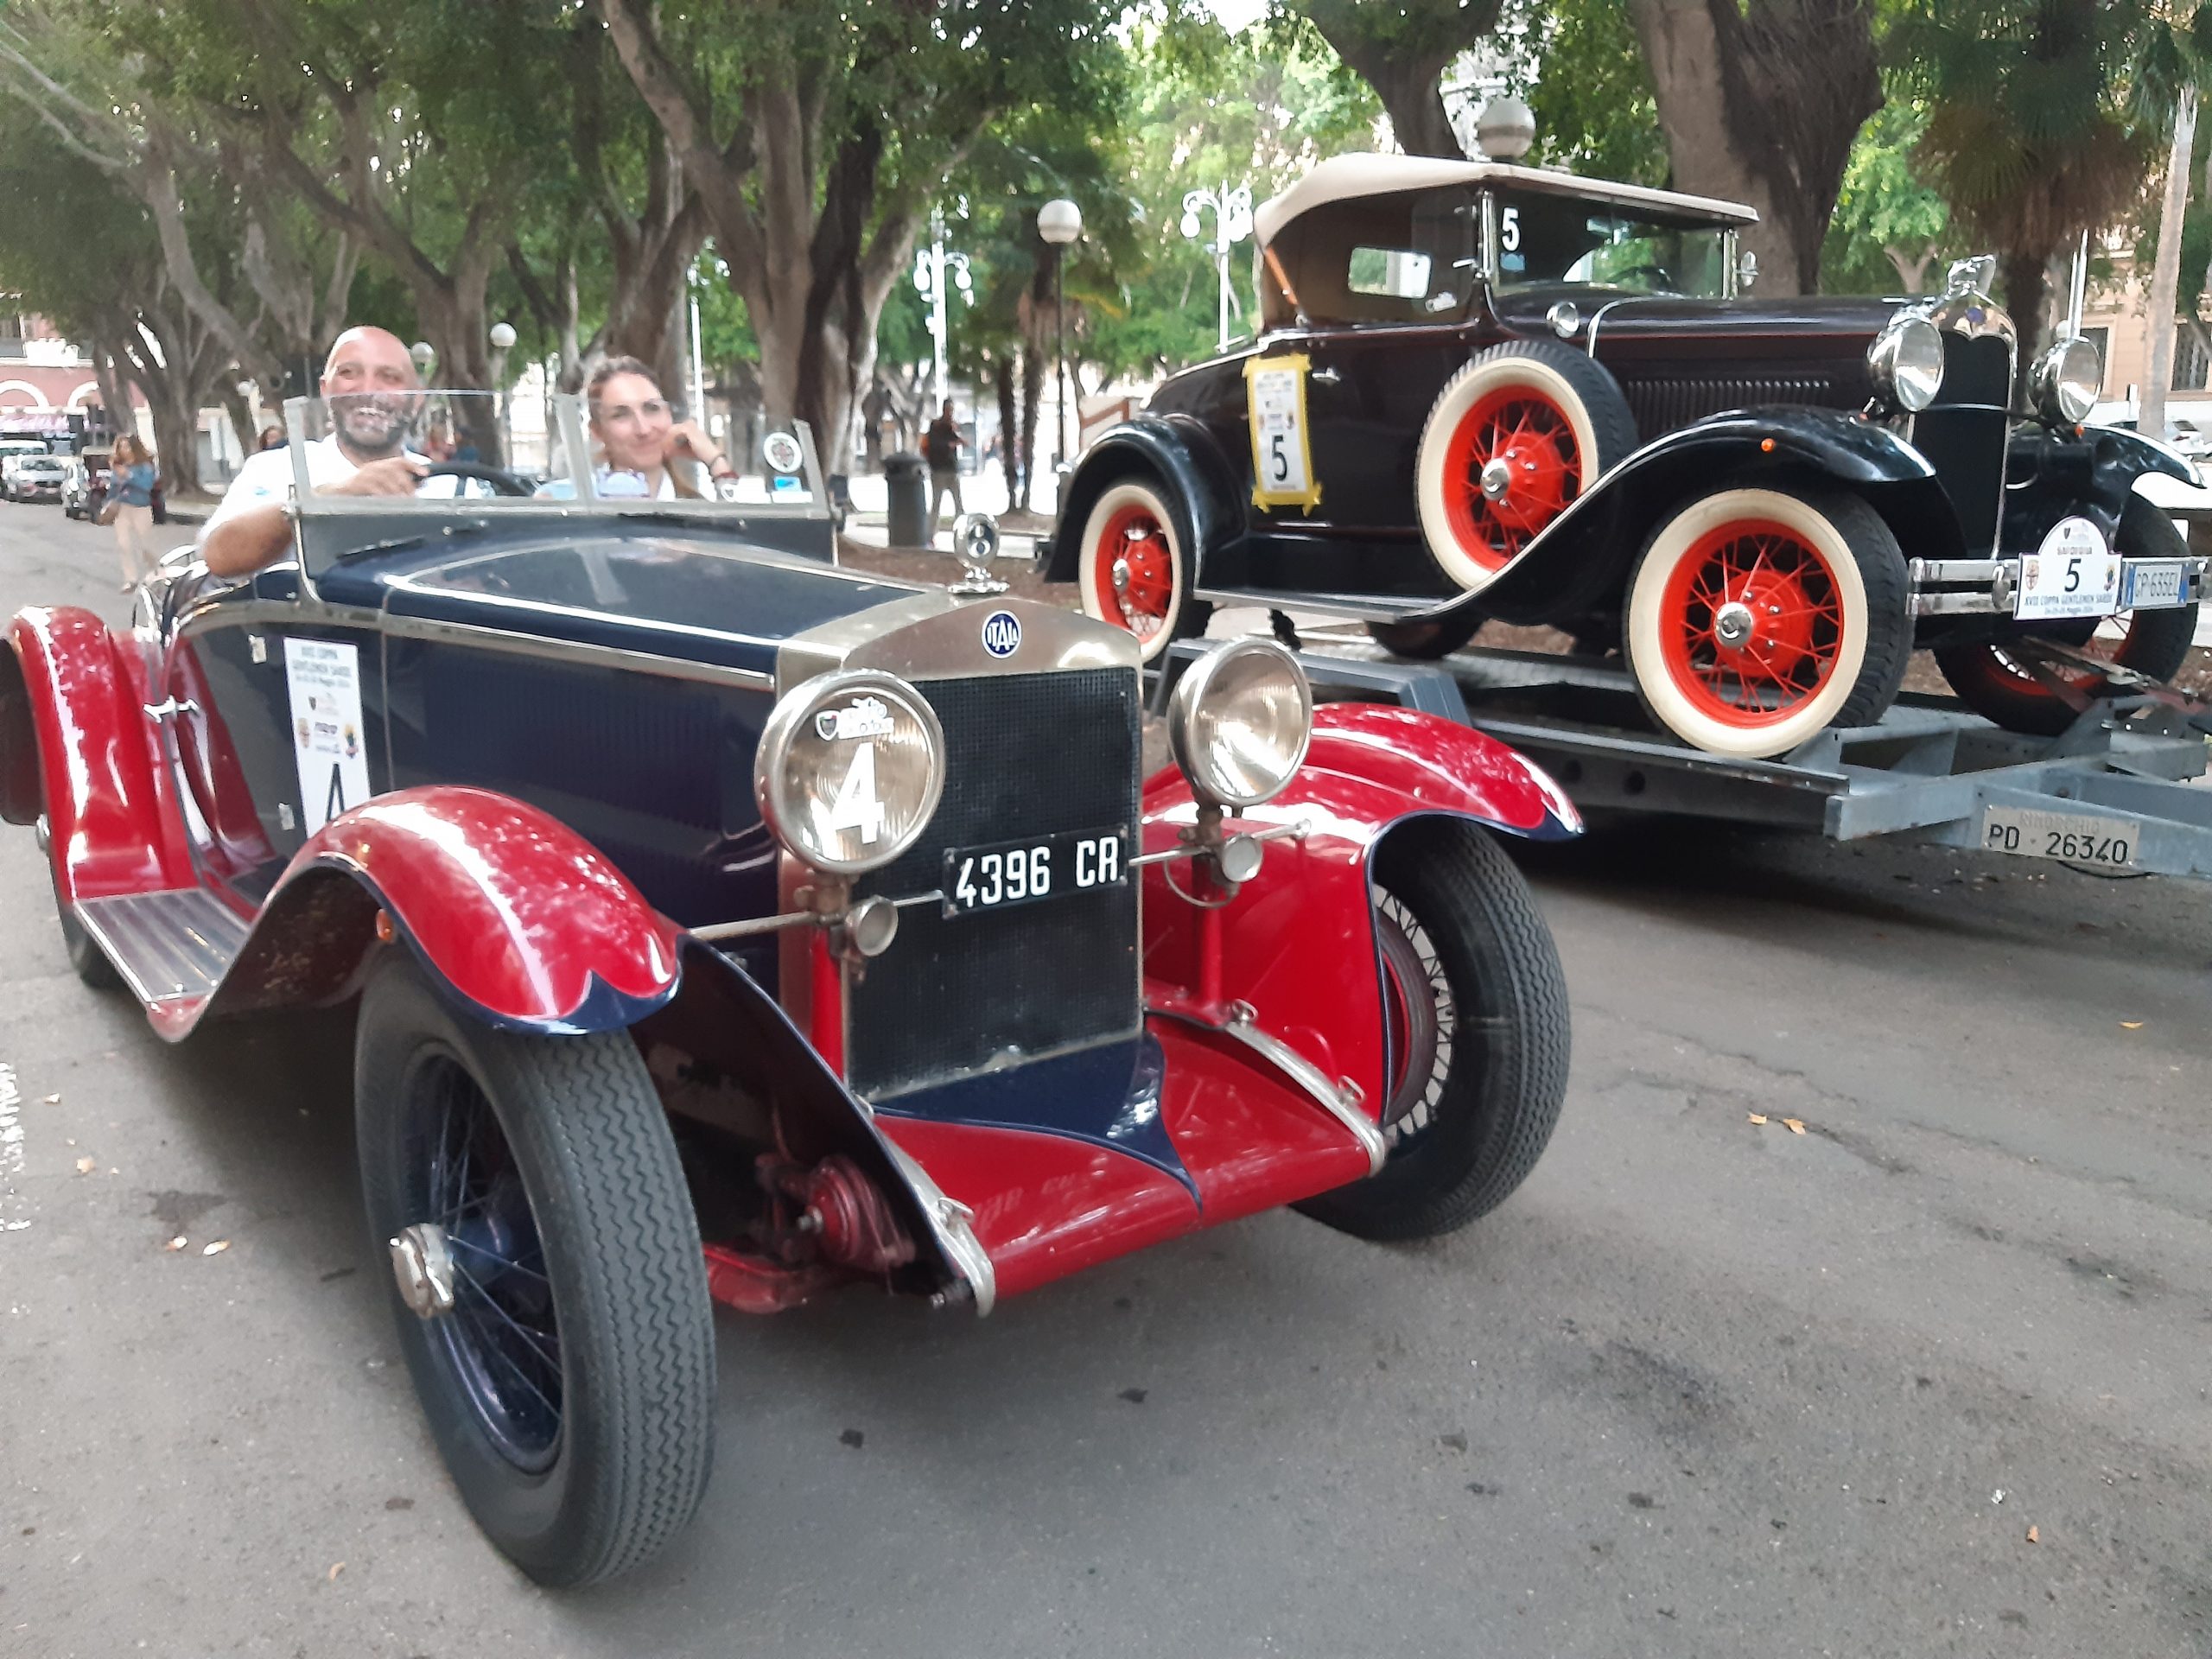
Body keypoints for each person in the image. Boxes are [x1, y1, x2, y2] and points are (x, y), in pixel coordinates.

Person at [200, 326, 442, 578]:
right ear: (325, 391)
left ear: (417, 400)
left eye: (390, 377)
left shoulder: (452, 484)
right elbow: (220, 557)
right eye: (349, 373)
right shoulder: (275, 468)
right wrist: (331, 496)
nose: (368, 390)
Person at [540, 357, 735, 499]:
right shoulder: (564, 501)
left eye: (652, 408)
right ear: (598, 431)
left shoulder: (695, 509)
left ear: (669, 416)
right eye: (621, 415)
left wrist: (716, 462)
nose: (643, 429)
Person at [108, 435, 157, 593]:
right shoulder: (119, 466)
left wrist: (128, 476)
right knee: (124, 544)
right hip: (122, 508)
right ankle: (131, 579)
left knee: (146, 545)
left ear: (135, 448)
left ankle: (155, 574)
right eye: (121, 447)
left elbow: (147, 485)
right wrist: (108, 502)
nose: (124, 450)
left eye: (127, 447)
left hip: (141, 508)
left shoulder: (145, 466)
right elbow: (114, 488)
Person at [924, 398, 964, 537]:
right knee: (936, 505)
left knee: (959, 505)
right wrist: (950, 444)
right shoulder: (936, 426)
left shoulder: (951, 427)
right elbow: (935, 444)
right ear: (944, 410)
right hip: (939, 471)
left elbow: (956, 440)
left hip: (952, 470)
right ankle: (930, 535)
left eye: (952, 410)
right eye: (948, 410)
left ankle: (961, 534)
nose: (950, 413)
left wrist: (959, 440)